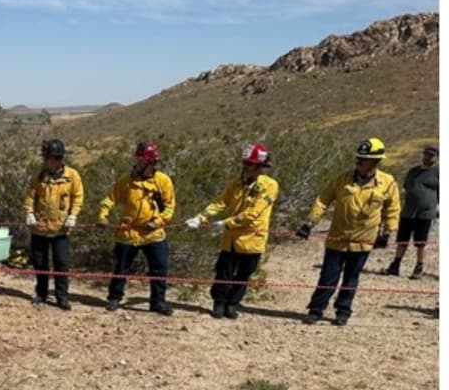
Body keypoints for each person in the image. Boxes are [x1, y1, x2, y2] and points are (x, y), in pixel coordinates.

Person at [296, 137, 400, 326]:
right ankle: (315, 310)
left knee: (351, 278)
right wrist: (309, 223)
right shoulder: (342, 180)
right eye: (358, 157)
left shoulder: (387, 182)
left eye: (364, 158)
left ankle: (343, 311)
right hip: (337, 238)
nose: (359, 161)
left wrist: (387, 232)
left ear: (375, 161)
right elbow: (323, 200)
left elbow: (392, 209)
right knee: (328, 275)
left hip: (364, 241)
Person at [185, 143, 279, 319]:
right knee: (223, 271)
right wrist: (201, 218)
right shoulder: (235, 184)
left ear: (259, 167)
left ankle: (232, 304)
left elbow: (253, 213)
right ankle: (219, 302)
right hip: (231, 240)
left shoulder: (270, 186)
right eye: (244, 163)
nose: (245, 167)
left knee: (244, 274)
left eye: (249, 164)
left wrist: (227, 223)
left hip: (252, 239)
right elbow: (220, 202)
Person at [97, 141, 176, 315]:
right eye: (137, 160)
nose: (137, 164)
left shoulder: (163, 181)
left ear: (151, 163)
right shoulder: (126, 181)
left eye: (141, 161)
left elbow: (170, 206)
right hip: (128, 232)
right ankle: (114, 298)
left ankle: (158, 302)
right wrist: (103, 215)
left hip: (153, 233)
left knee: (159, 269)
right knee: (121, 268)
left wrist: (157, 222)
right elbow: (110, 199)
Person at [23, 138, 84, 310]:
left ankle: (61, 297)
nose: (44, 161)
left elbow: (78, 197)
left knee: (61, 264)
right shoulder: (40, 176)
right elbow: (30, 196)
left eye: (47, 157)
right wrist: (29, 212)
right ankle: (41, 294)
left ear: (56, 159)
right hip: (40, 229)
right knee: (40, 263)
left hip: (61, 230)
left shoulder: (72, 176)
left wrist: (73, 215)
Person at [386, 146, 438, 279]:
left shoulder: (439, 173)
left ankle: (419, 266)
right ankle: (395, 265)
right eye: (426, 154)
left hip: (425, 213)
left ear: (436, 158)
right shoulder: (413, 171)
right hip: (408, 211)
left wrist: (438, 208)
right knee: (402, 239)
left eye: (431, 155)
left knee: (421, 242)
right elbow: (406, 187)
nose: (428, 157)